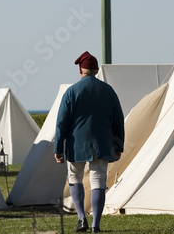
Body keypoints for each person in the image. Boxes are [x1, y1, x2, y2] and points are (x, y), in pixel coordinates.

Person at [54, 51, 125, 233]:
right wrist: (119, 146)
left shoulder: (71, 92)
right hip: (102, 144)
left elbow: (61, 123)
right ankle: (96, 225)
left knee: (75, 179)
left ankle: (81, 219)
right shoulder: (108, 91)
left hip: (76, 145)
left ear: (81, 70)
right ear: (96, 70)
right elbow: (118, 121)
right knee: (98, 182)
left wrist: (58, 148)